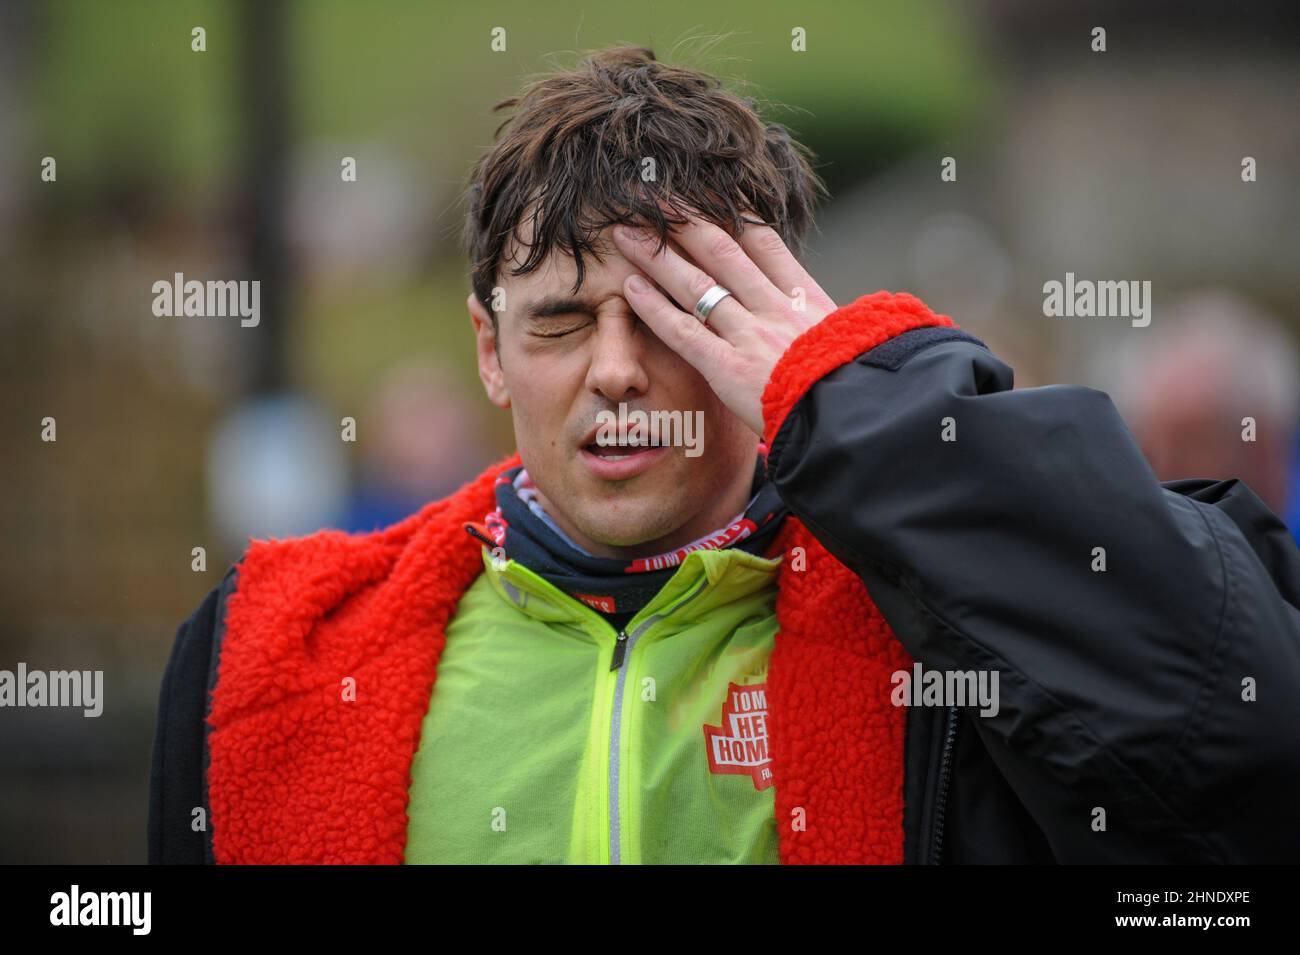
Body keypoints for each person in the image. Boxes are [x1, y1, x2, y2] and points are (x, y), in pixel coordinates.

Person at [149, 45, 1300, 865]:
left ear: (774, 340)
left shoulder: (935, 638)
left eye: (670, 319)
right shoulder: (267, 648)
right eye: (558, 321)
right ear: (488, 355)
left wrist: (866, 400)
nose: (613, 370)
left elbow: (1238, 743)